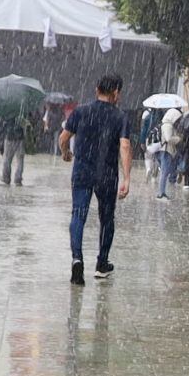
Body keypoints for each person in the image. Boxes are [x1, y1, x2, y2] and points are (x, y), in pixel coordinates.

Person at [59, 74, 131, 285]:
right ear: (116, 92)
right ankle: (101, 263)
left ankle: (77, 258)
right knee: (106, 218)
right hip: (106, 174)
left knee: (78, 214)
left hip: (82, 171)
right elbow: (125, 147)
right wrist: (127, 178)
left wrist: (65, 153)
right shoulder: (120, 117)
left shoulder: (81, 111)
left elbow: (63, 138)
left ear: (96, 88)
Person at [0, 103, 29, 186]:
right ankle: (18, 179)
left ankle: (6, 177)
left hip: (10, 137)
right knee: (20, 160)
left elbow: (3, 125)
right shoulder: (23, 108)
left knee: (7, 159)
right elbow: (27, 122)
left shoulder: (6, 109)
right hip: (20, 138)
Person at [156, 107, 184, 200]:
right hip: (166, 151)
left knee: (166, 171)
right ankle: (161, 193)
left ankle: (162, 192)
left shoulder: (168, 124)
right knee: (164, 172)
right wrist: (179, 139)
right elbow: (168, 138)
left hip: (168, 151)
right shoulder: (168, 125)